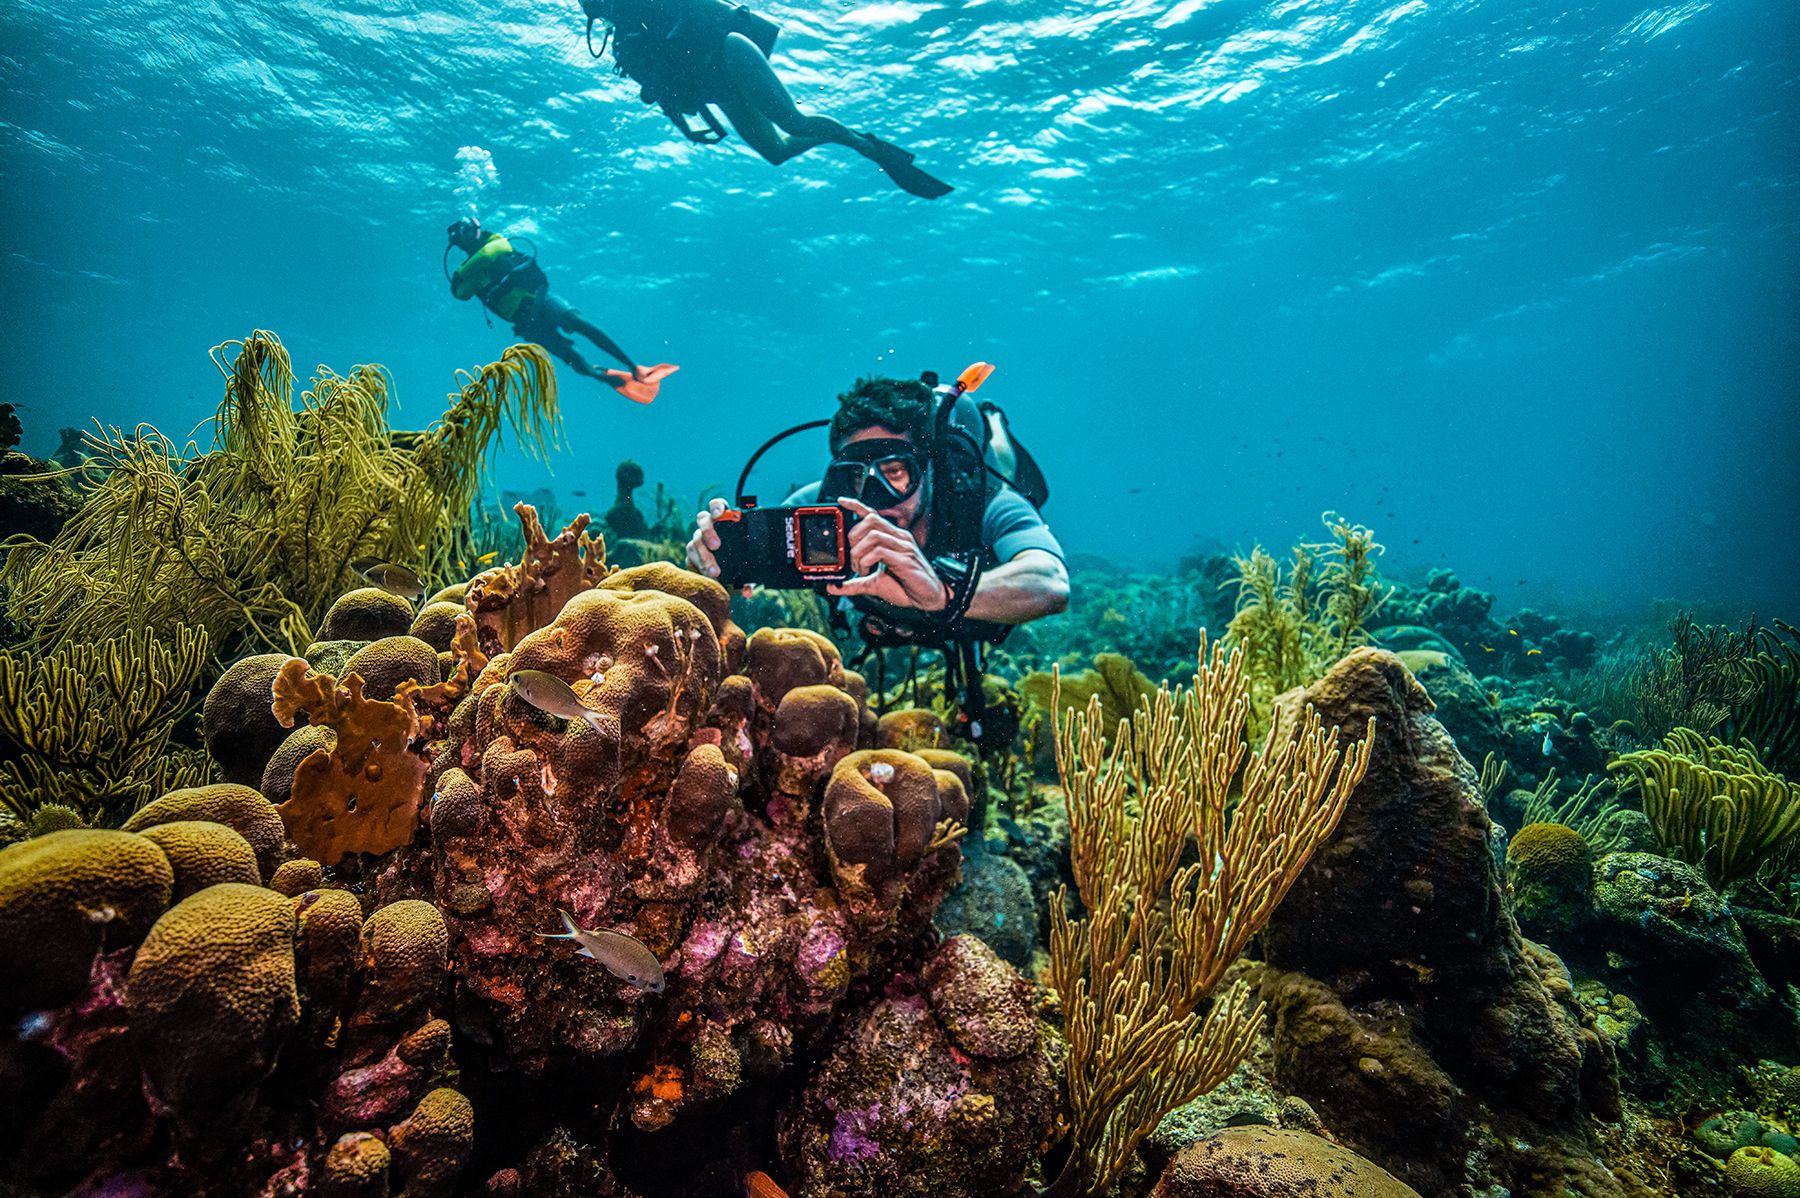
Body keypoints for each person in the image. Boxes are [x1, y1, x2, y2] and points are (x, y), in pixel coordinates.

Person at [687, 375, 1068, 629]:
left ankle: (992, 422)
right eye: (857, 474)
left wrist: (943, 593)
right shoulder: (825, 504)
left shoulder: (981, 501)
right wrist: (719, 560)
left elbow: (1050, 583)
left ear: (927, 470)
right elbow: (764, 553)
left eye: (896, 470)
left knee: (1001, 462)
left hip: (967, 583)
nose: (872, 498)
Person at [581, 0, 953, 200]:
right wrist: (687, 130)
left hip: (729, 50)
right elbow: (663, 92)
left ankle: (869, 149)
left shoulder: (646, 8)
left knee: (794, 122)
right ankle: (864, 141)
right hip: (718, 85)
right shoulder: (626, 45)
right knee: (777, 152)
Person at [446, 217, 677, 404]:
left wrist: (462, 273)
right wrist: (463, 275)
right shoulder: (471, 273)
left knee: (577, 322)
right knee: (573, 359)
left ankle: (634, 367)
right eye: (460, 238)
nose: (465, 239)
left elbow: (499, 260)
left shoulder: (497, 244)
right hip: (525, 321)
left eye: (467, 232)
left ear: (476, 229)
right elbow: (460, 294)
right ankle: (607, 377)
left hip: (541, 299)